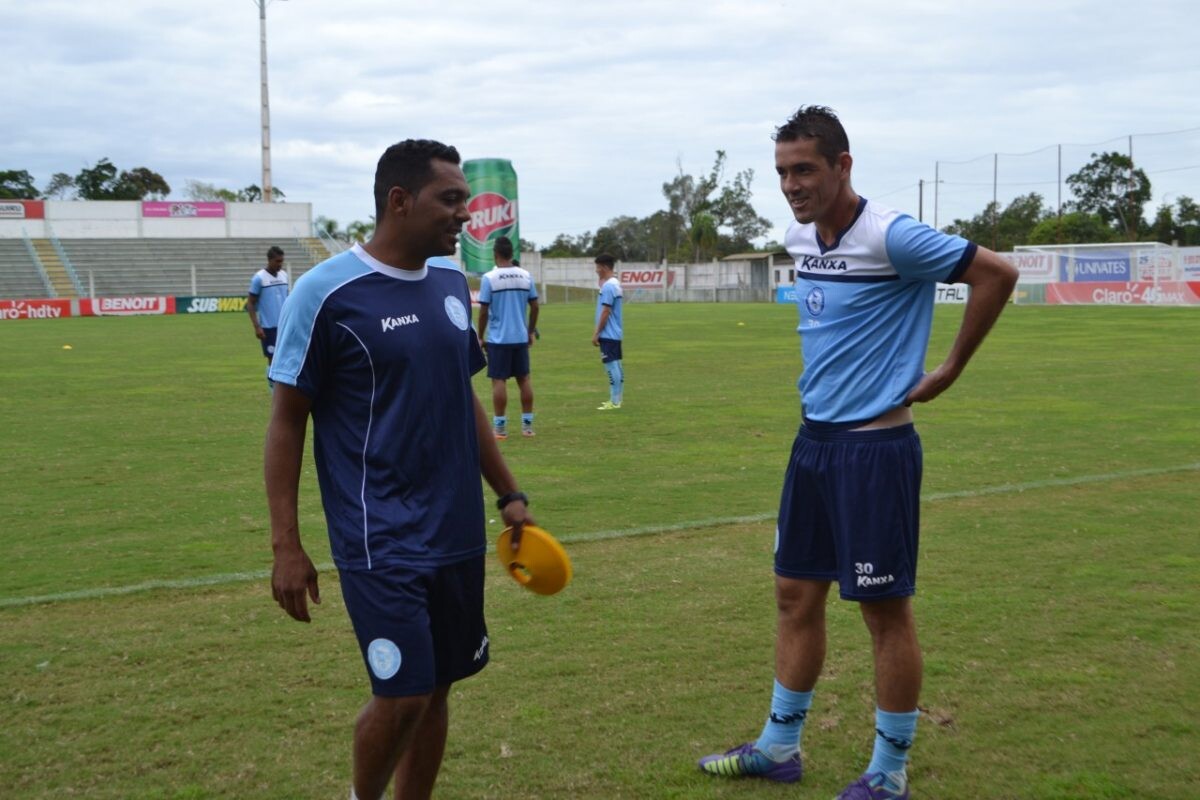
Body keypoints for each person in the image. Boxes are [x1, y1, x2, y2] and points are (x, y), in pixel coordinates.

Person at [698, 106, 1017, 799]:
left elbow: (997, 273)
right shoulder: (799, 235)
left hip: (875, 451)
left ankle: (890, 771)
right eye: (782, 171)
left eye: (804, 169)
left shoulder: (892, 236)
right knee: (793, 595)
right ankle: (779, 748)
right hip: (811, 445)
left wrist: (951, 367)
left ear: (843, 165)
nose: (791, 184)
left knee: (883, 610)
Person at [264, 139, 533, 800]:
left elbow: (460, 394)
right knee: (403, 692)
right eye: (450, 201)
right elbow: (286, 420)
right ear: (399, 201)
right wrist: (286, 546)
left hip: (457, 529)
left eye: (466, 202)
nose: (465, 217)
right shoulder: (325, 292)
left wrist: (508, 494)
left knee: (437, 687)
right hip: (378, 534)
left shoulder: (450, 282)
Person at [476, 235, 539, 438]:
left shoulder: (489, 278)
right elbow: (535, 306)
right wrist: (530, 331)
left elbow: (484, 311)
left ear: (495, 254)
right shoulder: (525, 276)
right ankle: (527, 427)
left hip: (498, 339)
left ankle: (500, 428)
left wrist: (480, 336)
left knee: (499, 380)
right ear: (512, 254)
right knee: (524, 379)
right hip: (520, 337)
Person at [246, 245, 289, 387]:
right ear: (269, 260)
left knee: (286, 357)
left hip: (285, 325)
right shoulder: (259, 278)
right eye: (277, 261)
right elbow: (250, 304)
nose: (280, 264)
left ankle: (283, 388)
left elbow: (287, 299)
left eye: (281, 261)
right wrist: (257, 327)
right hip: (268, 327)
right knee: (272, 359)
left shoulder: (284, 275)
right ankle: (273, 389)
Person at [591, 253, 624, 410]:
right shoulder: (614, 283)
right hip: (615, 333)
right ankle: (616, 400)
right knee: (616, 365)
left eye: (597, 267)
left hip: (608, 333)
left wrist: (597, 332)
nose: (596, 270)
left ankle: (614, 401)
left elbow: (606, 311)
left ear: (604, 267)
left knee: (611, 367)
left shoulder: (609, 286)